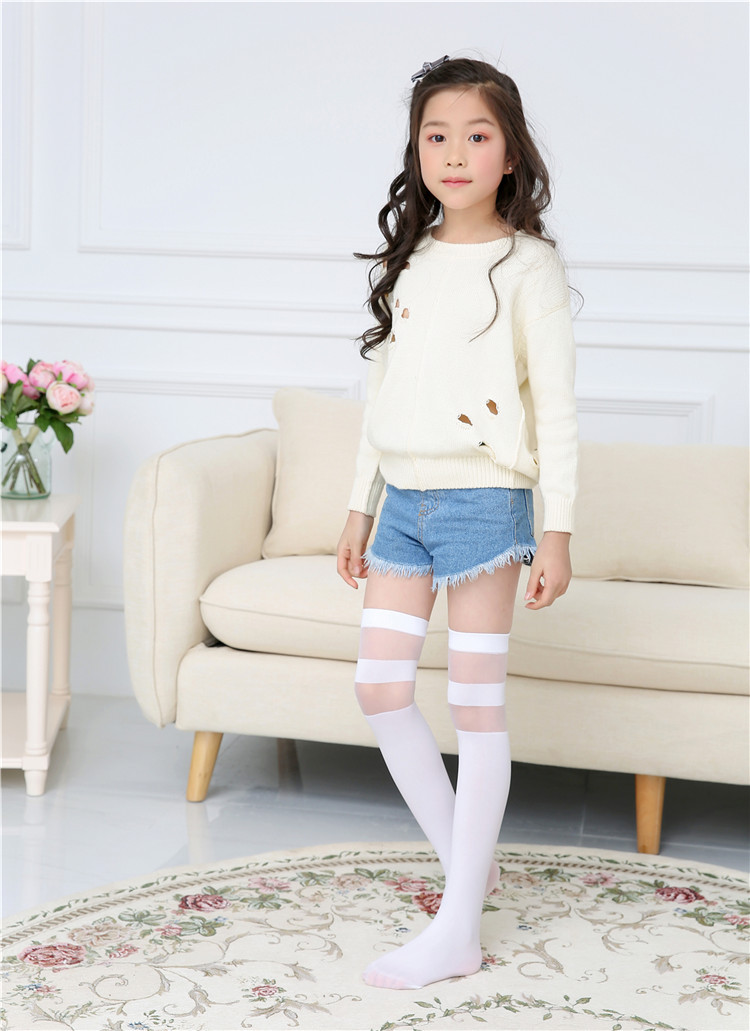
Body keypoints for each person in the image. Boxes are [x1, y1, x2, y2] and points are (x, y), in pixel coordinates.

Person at [336, 54, 581, 991]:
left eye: (477, 136)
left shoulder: (530, 266)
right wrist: (359, 505)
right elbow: (380, 396)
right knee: (379, 689)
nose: (454, 153)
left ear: (510, 154)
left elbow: (556, 409)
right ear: (416, 150)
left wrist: (557, 529)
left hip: (488, 506)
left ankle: (456, 925)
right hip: (401, 505)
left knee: (476, 708)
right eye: (435, 135)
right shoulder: (410, 261)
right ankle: (466, 887)